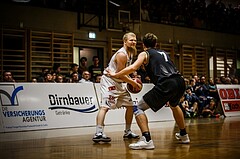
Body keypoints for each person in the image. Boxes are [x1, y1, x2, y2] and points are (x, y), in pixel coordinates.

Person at [108, 33, 190, 149]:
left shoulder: (144, 53)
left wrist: (115, 74)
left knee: (138, 108)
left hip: (166, 83)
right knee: (174, 105)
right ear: (156, 44)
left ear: (143, 45)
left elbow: (133, 68)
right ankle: (184, 135)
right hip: (180, 81)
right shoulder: (163, 53)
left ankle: (146, 140)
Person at [92, 32, 140, 143]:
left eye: (135, 40)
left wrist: (131, 79)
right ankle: (98, 133)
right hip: (110, 82)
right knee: (105, 107)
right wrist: (133, 82)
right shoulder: (121, 54)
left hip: (120, 82)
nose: (134, 42)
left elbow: (124, 72)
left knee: (130, 106)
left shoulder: (131, 52)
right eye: (131, 40)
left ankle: (128, 131)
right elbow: (119, 73)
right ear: (125, 41)